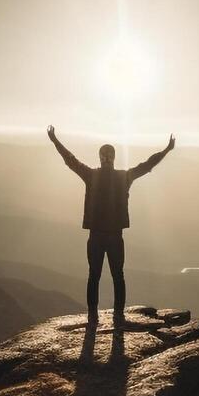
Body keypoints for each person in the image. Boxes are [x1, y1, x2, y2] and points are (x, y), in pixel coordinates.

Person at [47, 125, 176, 328]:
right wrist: (167, 150)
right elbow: (147, 164)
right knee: (117, 276)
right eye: (106, 156)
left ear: (103, 158)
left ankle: (94, 316)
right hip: (115, 236)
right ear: (112, 158)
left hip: (96, 235)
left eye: (106, 155)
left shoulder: (92, 176)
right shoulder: (123, 177)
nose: (106, 158)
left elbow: (70, 160)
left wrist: (54, 140)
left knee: (95, 275)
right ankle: (117, 315)